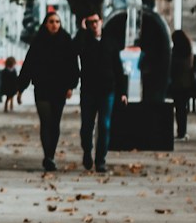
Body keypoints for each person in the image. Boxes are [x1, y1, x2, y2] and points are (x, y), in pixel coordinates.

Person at [18, 10, 79, 171]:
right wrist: (20, 88)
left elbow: (73, 66)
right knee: (46, 121)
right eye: (51, 21)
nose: (54, 25)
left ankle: (51, 154)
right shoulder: (38, 42)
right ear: (46, 24)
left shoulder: (66, 41)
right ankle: (47, 156)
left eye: (57, 22)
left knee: (55, 123)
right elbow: (28, 65)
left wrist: (71, 86)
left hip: (59, 88)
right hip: (42, 87)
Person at [75, 14, 124, 172]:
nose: (94, 25)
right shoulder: (84, 41)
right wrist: (81, 31)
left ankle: (101, 159)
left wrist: (122, 92)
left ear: (101, 22)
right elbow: (74, 49)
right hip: (88, 90)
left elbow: (118, 68)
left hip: (107, 90)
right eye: (90, 23)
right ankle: (87, 152)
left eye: (96, 22)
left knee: (105, 125)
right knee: (87, 126)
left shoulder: (110, 42)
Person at [170, 29, 194, 141]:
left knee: (179, 108)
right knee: (182, 108)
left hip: (178, 83)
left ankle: (181, 131)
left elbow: (173, 66)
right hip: (187, 83)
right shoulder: (188, 50)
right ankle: (183, 131)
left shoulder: (176, 52)